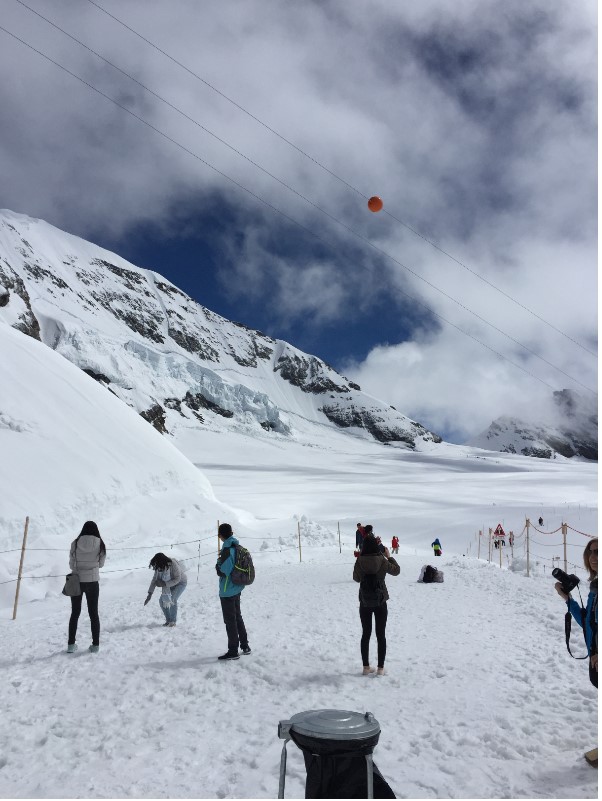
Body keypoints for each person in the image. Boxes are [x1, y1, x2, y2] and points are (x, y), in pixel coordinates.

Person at [353, 535, 400, 676]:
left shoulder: (360, 560)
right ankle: (380, 669)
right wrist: (389, 556)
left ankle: (366, 667)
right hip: (380, 601)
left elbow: (356, 578)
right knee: (381, 635)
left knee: (366, 634)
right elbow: (396, 571)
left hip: (365, 601)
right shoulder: (382, 560)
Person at [555, 538, 598, 688]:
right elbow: (588, 621)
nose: (592, 557)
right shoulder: (595, 587)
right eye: (590, 552)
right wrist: (568, 599)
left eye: (598, 552)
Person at [67, 521, 106, 654]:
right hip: (92, 581)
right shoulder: (100, 543)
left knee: (75, 613)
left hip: (76, 580)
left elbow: (71, 565)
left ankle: (71, 645)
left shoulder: (75, 542)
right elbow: (101, 564)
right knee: (93, 613)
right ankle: (95, 646)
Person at [216, 523, 251, 660]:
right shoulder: (236, 546)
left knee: (230, 621)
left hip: (228, 590)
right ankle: (245, 646)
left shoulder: (227, 549)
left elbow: (225, 570)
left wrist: (218, 565)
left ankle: (233, 651)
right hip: (237, 587)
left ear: (221, 535)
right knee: (237, 617)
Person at [144, 552, 188, 626]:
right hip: (169, 586)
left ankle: (173, 622)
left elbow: (177, 578)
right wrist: (149, 594)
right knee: (162, 601)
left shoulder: (173, 564)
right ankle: (168, 620)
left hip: (180, 583)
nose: (156, 567)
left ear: (161, 561)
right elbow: (154, 580)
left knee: (172, 599)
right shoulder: (159, 568)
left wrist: (164, 584)